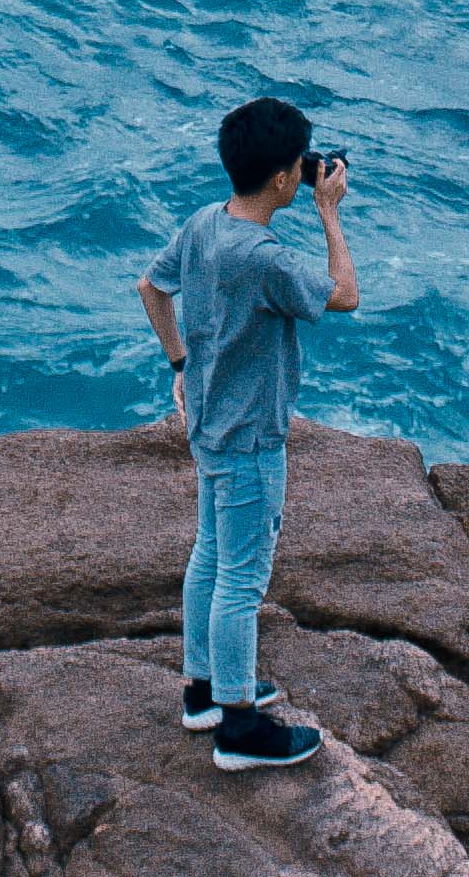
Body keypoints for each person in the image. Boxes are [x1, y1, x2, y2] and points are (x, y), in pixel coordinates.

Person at [137, 96, 357, 771]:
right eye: (301, 166)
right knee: (241, 579)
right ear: (286, 180)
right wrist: (330, 213)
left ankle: (202, 690)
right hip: (252, 438)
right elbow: (343, 294)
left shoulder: (207, 224)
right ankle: (237, 728)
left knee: (210, 556)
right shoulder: (265, 257)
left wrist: (180, 362)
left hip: (207, 421)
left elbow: (151, 286)